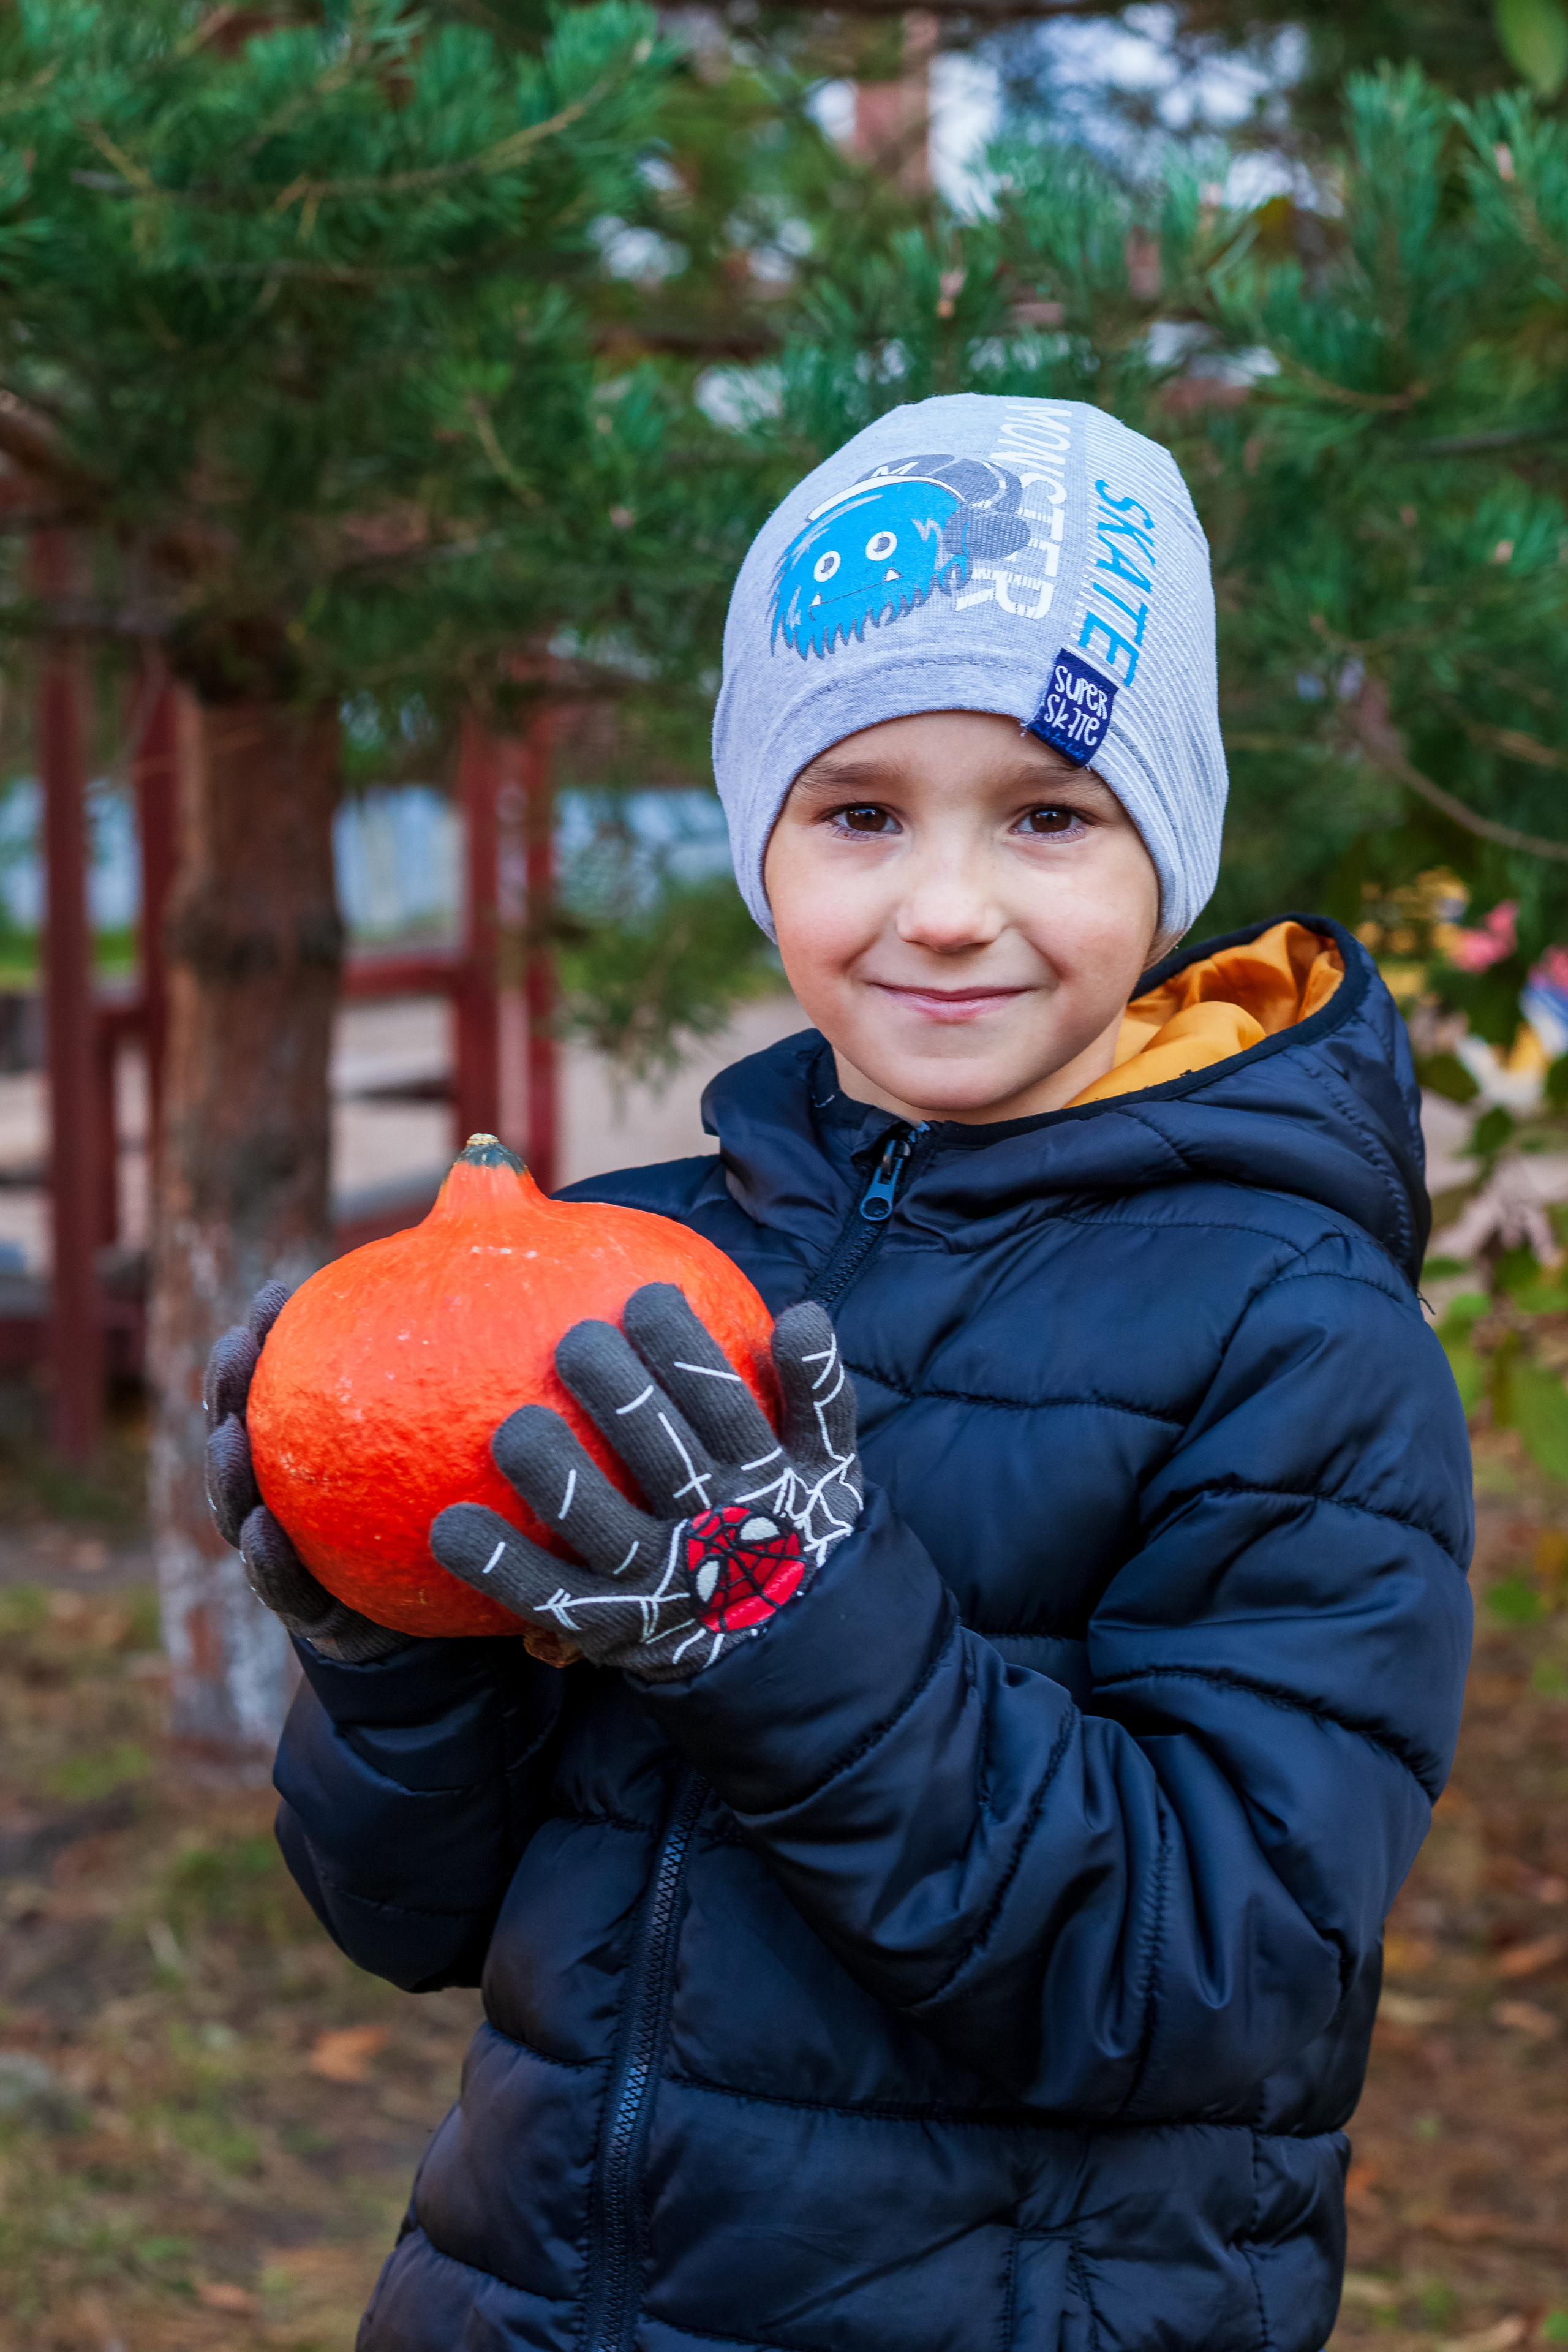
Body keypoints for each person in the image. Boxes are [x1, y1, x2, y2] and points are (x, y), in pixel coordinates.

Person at [204, 394, 1474, 2352]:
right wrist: (385, 1642)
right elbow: (413, 1918)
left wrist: (785, 1621)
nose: (947, 909)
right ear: (762, 841)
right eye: (860, 812)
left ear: (1172, 848)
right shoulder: (636, 1270)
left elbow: (1205, 1981)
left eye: (1049, 815)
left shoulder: (1295, 1332)